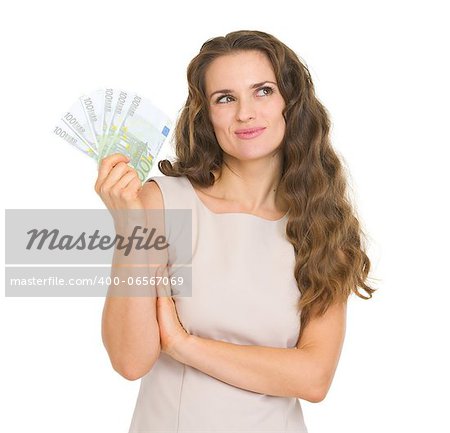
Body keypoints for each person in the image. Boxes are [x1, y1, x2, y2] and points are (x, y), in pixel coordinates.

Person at [95, 30, 376, 433]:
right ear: (206, 114)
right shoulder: (162, 203)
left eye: (263, 91)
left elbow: (314, 378)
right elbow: (130, 359)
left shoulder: (325, 226)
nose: (245, 113)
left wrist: (183, 345)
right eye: (225, 98)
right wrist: (130, 228)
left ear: (290, 103)